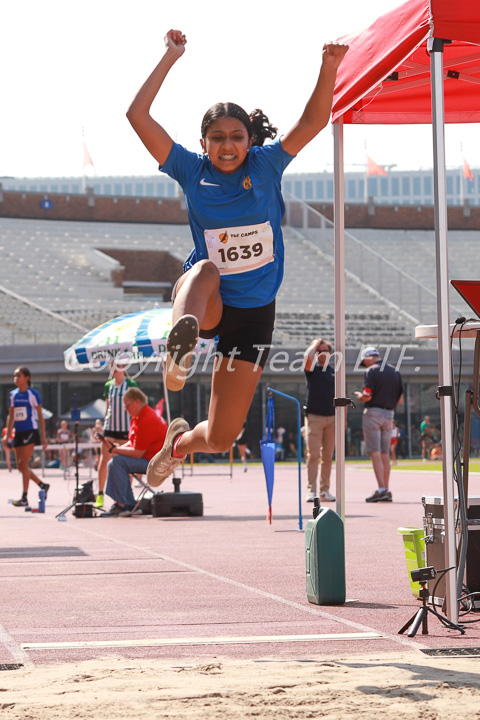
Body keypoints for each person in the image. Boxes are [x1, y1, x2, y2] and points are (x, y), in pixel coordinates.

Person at [127, 29, 348, 487]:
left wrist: (328, 68)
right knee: (205, 269)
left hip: (252, 313)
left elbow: (311, 123)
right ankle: (179, 349)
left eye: (236, 137)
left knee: (223, 436)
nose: (227, 146)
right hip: (208, 299)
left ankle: (177, 445)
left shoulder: (265, 165)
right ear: (203, 142)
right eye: (216, 138)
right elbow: (137, 115)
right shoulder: (191, 170)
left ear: (249, 140)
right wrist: (170, 57)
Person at [102, 387, 168, 516]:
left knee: (116, 462)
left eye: (127, 405)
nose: (125, 409)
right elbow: (133, 442)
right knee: (116, 461)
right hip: (150, 459)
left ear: (137, 402)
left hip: (154, 463)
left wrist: (116, 450)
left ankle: (123, 504)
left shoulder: (147, 419)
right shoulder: (140, 416)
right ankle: (126, 504)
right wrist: (117, 449)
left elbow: (138, 452)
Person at [354, 347, 403, 503]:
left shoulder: (371, 371)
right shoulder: (395, 371)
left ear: (369, 357)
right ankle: (386, 489)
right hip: (389, 414)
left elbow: (367, 396)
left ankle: (381, 489)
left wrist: (359, 397)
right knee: (385, 453)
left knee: (374, 452)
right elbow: (400, 400)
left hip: (374, 412)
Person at [95, 359, 138, 508]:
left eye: (118, 366)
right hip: (111, 427)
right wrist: (101, 423)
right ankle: (100, 494)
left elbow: (137, 407)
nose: (115, 369)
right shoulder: (109, 386)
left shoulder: (131, 384)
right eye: (112, 366)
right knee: (104, 458)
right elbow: (108, 408)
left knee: (125, 462)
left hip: (126, 428)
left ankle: (124, 495)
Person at [6, 366, 49, 507]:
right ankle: (42, 485)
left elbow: (40, 416)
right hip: (18, 432)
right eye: (14, 376)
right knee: (20, 466)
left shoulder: (33, 394)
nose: (16, 378)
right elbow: (11, 415)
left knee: (24, 464)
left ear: (27, 378)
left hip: (30, 431)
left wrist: (43, 437)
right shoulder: (13, 394)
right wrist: (7, 434)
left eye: (19, 376)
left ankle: (24, 497)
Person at [304, 338, 336, 503]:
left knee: (328, 456)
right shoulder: (312, 370)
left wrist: (342, 418)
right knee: (313, 455)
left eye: (325, 351)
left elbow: (340, 396)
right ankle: (311, 490)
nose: (322, 353)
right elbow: (306, 358)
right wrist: (315, 344)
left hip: (332, 418)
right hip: (314, 417)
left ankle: (325, 490)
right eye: (319, 351)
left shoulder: (334, 372)